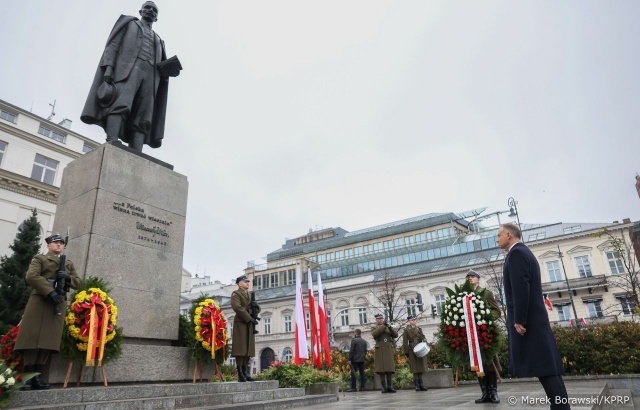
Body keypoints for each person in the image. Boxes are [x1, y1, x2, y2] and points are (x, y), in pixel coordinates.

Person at [81, 1, 181, 151]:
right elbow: (113, 46)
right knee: (120, 103)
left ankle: (136, 150)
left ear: (156, 18)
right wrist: (108, 68)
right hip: (127, 70)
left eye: (154, 10)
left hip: (151, 76)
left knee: (144, 114)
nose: (150, 11)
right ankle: (112, 139)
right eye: (147, 8)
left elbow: (161, 65)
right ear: (140, 12)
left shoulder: (159, 40)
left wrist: (169, 70)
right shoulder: (128, 24)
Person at [498, 223, 571, 410]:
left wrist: (519, 320)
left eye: (499, 235)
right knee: (547, 367)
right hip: (535, 319)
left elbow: (521, 289)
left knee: (544, 368)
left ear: (509, 235)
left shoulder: (516, 254)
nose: (497, 239)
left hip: (529, 321)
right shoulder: (523, 252)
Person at [14, 234, 82, 390]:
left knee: (47, 341)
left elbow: (78, 282)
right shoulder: (40, 259)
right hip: (40, 302)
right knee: (32, 340)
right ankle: (26, 377)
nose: (59, 245)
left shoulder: (68, 264)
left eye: (61, 243)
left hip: (57, 305)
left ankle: (37, 377)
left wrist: (67, 277)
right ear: (49, 245)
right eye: (55, 243)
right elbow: (31, 276)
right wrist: (50, 291)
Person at [466, 269, 501, 403]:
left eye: (473, 276)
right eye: (468, 277)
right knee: (477, 363)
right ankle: (485, 393)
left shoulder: (486, 293)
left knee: (489, 363)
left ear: (478, 279)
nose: (470, 278)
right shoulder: (465, 296)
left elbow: (496, 311)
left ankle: (494, 392)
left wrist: (485, 319)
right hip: (472, 336)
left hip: (485, 333)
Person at [231, 275, 259, 382]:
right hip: (241, 323)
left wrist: (256, 307)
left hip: (249, 324)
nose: (247, 283)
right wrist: (249, 318)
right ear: (239, 283)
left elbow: (255, 308)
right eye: (245, 281)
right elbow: (237, 307)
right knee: (241, 349)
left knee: (248, 349)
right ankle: (240, 374)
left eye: (248, 281)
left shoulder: (250, 295)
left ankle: (246, 372)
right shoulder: (236, 294)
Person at [371, 313, 398, 393]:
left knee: (389, 368)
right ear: (376, 320)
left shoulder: (387, 327)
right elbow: (375, 334)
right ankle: (384, 387)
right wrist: (383, 326)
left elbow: (395, 335)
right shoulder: (374, 327)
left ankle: (389, 386)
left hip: (388, 348)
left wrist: (389, 326)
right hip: (380, 349)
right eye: (379, 319)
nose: (381, 320)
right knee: (381, 369)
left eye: (382, 319)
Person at [401, 315, 428, 392]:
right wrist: (406, 351)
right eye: (412, 320)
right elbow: (405, 341)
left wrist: (425, 340)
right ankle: (417, 385)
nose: (413, 321)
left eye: (414, 320)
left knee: (420, 366)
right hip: (412, 348)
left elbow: (422, 336)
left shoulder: (419, 329)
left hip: (419, 347)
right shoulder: (406, 330)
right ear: (409, 321)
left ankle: (421, 384)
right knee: (415, 368)